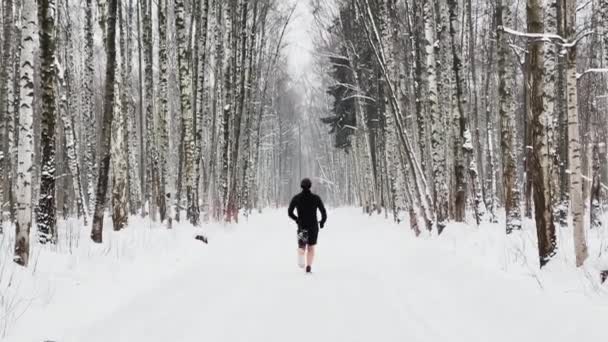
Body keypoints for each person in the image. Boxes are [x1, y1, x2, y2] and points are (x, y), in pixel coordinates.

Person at [288, 178, 327, 273]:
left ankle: (301, 256)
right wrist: (322, 222)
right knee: (311, 247)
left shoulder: (296, 198)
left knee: (302, 246)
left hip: (302, 226)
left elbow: (290, 212)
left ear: (301, 186)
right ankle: (308, 266)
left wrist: (297, 219)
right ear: (310, 186)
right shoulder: (316, 198)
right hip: (313, 226)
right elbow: (323, 212)